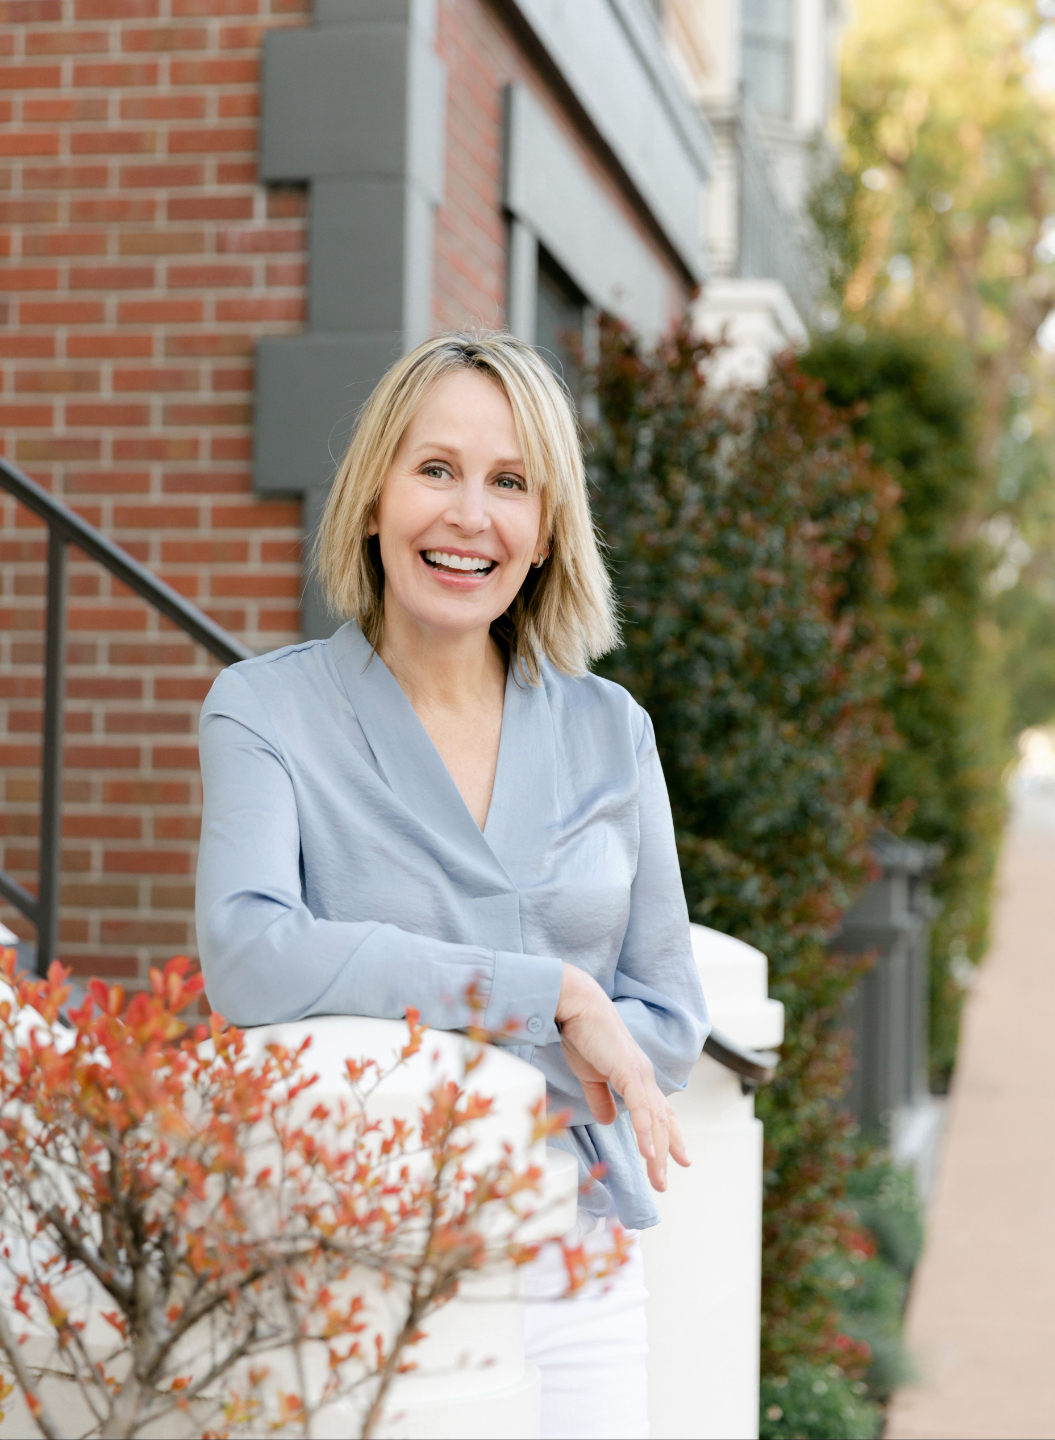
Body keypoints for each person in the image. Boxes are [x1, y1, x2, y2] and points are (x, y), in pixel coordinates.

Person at [195, 331, 709, 1439]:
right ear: (373, 498)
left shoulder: (610, 730)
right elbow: (248, 955)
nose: (469, 516)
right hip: (361, 1257)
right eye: (436, 469)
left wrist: (570, 1031)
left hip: (575, 1256)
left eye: (509, 482)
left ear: (547, 529)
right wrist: (551, 998)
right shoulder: (264, 712)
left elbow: (666, 1018)